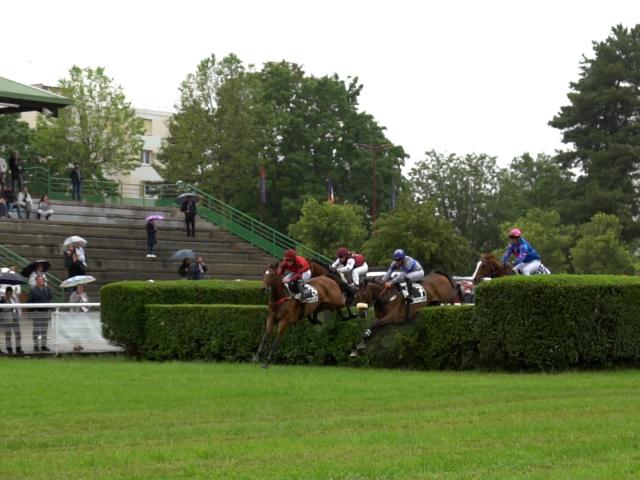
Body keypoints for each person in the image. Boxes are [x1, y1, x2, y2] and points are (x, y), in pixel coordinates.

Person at [28, 275, 52, 352]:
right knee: (36, 330)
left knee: (44, 330)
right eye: (39, 280)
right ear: (36, 281)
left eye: (42, 280)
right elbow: (29, 301)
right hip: (37, 312)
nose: (41, 281)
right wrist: (33, 311)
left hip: (45, 312)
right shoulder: (33, 290)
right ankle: (36, 345)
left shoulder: (47, 288)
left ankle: (43, 345)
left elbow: (50, 297)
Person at [0, 286, 23, 355]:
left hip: (15, 317)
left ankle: (18, 348)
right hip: (7, 318)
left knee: (18, 333)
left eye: (11, 292)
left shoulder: (14, 298)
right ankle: (9, 348)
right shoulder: (3, 299)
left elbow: (18, 305)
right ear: (6, 292)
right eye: (9, 292)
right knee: (8, 334)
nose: (10, 293)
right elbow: (3, 309)